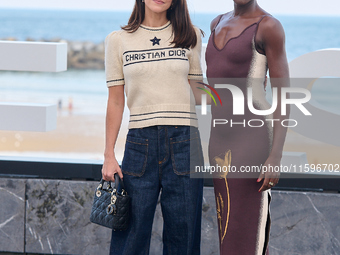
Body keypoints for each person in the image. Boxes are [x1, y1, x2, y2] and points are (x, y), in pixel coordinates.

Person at [101, 0, 205, 254]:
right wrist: (108, 155)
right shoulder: (118, 40)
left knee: (185, 237)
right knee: (130, 238)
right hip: (140, 144)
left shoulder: (190, 35)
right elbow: (116, 100)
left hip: (186, 143)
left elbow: (199, 94)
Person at [205, 0, 289, 254]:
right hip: (218, 141)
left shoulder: (268, 27)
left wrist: (275, 156)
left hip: (252, 141)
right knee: (227, 228)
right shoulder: (217, 22)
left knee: (247, 232)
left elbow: (284, 95)